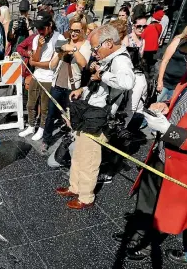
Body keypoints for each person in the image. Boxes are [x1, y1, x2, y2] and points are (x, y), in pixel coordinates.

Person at [113, 13, 187, 263]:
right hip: (160, 153)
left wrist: (169, 131)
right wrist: (165, 105)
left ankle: (147, 244)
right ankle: (136, 234)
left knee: (167, 210)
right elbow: (181, 103)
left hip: (185, 168)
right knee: (146, 196)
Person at [56, 24, 135, 209]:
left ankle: (86, 197)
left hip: (99, 117)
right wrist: (83, 89)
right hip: (89, 110)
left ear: (108, 43)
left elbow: (127, 81)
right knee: (79, 153)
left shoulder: (121, 60)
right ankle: (75, 187)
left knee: (89, 158)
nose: (93, 52)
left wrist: (103, 74)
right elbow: (101, 87)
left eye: (95, 48)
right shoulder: (110, 58)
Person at [41, 14, 91, 152]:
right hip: (57, 84)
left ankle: (71, 142)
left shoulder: (86, 45)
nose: (73, 33)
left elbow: (83, 64)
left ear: (83, 30)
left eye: (77, 30)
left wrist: (73, 49)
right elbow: (52, 65)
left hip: (72, 87)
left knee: (71, 117)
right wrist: (60, 53)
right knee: (51, 114)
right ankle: (46, 139)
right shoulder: (63, 42)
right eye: (71, 30)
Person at [18, 11, 66, 141]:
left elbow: (52, 65)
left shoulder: (60, 38)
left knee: (44, 107)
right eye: (37, 28)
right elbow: (33, 61)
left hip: (50, 78)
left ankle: (41, 128)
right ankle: (31, 126)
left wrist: (38, 62)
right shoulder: (35, 39)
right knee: (30, 104)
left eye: (42, 28)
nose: (39, 31)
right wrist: (39, 46)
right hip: (37, 75)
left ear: (50, 25)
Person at [157, 14, 187, 102]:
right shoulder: (179, 40)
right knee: (154, 106)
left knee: (167, 111)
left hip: (180, 85)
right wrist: (160, 81)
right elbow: (165, 61)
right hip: (165, 82)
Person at [141, 10, 163, 74]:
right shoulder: (159, 26)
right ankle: (150, 71)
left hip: (147, 46)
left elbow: (143, 35)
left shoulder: (150, 26)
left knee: (145, 60)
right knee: (150, 60)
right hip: (154, 46)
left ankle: (146, 72)